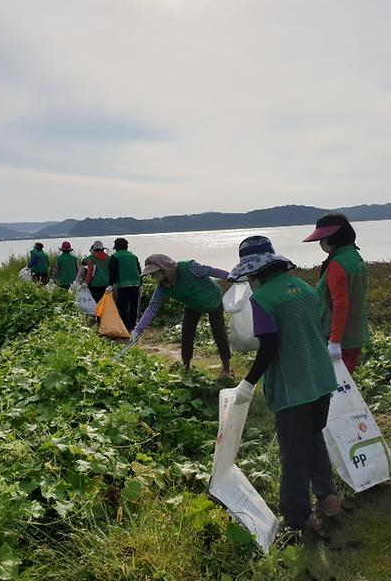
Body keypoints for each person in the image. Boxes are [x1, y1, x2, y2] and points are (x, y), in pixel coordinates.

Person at [230, 236, 341, 535]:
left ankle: (298, 517)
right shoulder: (303, 288)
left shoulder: (263, 299)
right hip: (320, 378)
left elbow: (268, 346)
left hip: (294, 386)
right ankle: (328, 498)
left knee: (292, 452)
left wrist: (247, 383)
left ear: (255, 272)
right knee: (313, 437)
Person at [130, 254, 232, 377]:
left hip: (212, 299)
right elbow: (152, 308)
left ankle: (226, 369)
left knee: (219, 331)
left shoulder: (189, 268)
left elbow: (211, 271)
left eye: (154, 273)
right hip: (193, 304)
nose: (152, 276)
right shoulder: (162, 287)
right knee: (187, 332)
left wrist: (232, 276)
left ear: (164, 268)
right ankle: (186, 367)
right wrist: (138, 329)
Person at [302, 213, 368, 375]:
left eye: (322, 239)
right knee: (346, 382)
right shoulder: (356, 257)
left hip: (337, 335)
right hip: (355, 332)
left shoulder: (337, 264)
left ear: (334, 238)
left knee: (332, 385)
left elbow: (340, 304)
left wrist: (334, 341)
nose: (320, 244)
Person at [109, 237, 142, 331]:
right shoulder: (133, 256)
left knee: (123, 307)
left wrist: (110, 284)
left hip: (123, 284)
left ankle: (127, 327)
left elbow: (113, 271)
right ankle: (134, 324)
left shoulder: (115, 256)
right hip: (136, 283)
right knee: (133, 305)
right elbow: (139, 270)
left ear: (116, 247)